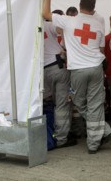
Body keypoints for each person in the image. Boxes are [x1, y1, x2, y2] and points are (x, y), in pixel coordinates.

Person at [43, 0, 111, 154]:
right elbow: (101, 49)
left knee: (78, 102)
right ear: (93, 8)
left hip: (77, 70)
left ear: (80, 5)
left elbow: (45, 13)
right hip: (96, 67)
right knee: (96, 104)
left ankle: (101, 133)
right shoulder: (98, 24)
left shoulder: (68, 21)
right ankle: (95, 142)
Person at [42, 9, 76, 148]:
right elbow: (63, 30)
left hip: (42, 71)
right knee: (62, 104)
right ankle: (61, 138)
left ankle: (50, 134)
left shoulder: (28, 29)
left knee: (48, 104)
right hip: (58, 68)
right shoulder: (48, 25)